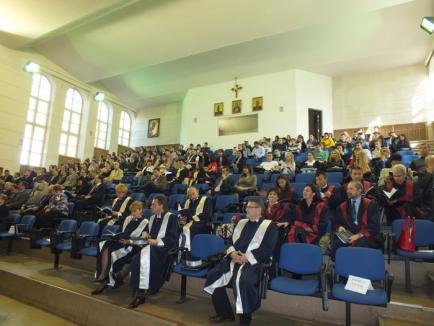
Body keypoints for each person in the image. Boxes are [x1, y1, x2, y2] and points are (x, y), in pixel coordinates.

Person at [204, 198, 278, 325]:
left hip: (253, 263)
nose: (247, 210)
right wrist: (232, 253)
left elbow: (268, 248)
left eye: (250, 207)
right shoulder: (241, 223)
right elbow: (230, 242)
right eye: (247, 207)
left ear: (259, 209)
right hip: (235, 259)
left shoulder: (270, 226)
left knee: (243, 282)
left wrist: (247, 257)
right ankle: (225, 313)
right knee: (213, 275)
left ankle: (245, 320)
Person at [128, 195, 179, 308]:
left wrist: (156, 242)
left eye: (153, 204)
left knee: (141, 257)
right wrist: (145, 234)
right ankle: (139, 290)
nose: (151, 206)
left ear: (161, 206)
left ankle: (140, 293)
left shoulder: (172, 218)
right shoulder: (152, 218)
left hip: (164, 250)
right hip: (151, 249)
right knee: (137, 259)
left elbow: (172, 239)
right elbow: (148, 233)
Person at [92, 200, 149, 295]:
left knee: (109, 250)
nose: (133, 213)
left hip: (131, 246)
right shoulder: (128, 218)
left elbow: (142, 239)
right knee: (104, 244)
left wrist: (129, 241)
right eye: (132, 211)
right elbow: (120, 231)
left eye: (135, 211)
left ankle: (103, 277)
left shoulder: (145, 222)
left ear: (141, 210)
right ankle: (104, 276)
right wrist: (115, 236)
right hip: (121, 242)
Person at [331, 181, 382, 260]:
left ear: (359, 190)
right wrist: (340, 227)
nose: (348, 191)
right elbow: (337, 223)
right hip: (348, 235)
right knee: (336, 243)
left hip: (366, 235)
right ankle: (341, 268)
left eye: (351, 189)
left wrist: (358, 235)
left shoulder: (371, 205)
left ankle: (358, 269)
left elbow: (374, 226)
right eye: (348, 189)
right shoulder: (342, 207)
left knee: (361, 244)